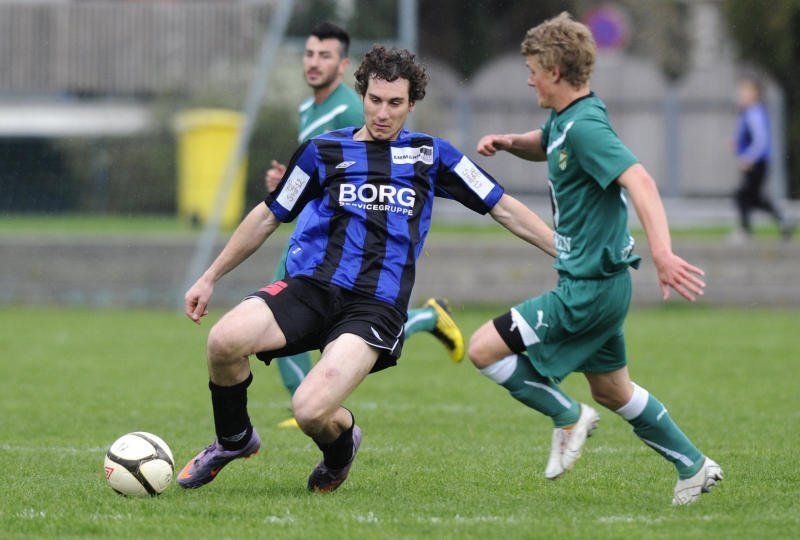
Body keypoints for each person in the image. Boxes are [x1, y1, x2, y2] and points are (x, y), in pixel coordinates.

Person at [178, 45, 557, 493]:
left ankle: (340, 450)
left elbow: (503, 206)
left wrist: (563, 253)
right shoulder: (323, 152)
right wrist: (210, 276)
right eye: (375, 100)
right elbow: (267, 215)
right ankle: (234, 440)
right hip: (312, 289)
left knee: (310, 412)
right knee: (222, 341)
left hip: (375, 307)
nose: (382, 112)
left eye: (395, 103)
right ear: (362, 95)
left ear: (411, 104)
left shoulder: (431, 156)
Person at [470, 12, 722, 506]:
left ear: (555, 72)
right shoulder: (570, 117)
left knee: (482, 349)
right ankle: (692, 465)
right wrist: (510, 142)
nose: (529, 80)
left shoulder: (585, 127)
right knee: (611, 390)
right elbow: (547, 142)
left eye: (534, 71)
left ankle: (567, 416)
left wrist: (663, 253)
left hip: (588, 289)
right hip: (600, 285)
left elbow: (641, 181)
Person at [265, 22, 465, 429]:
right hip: (311, 227)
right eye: (309, 54)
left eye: (325, 56)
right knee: (289, 313)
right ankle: (311, 403)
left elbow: (369, 166)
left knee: (305, 312)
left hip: (339, 237)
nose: (314, 63)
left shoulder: (352, 111)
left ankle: (310, 408)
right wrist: (287, 182)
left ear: (343, 67)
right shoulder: (308, 109)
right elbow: (325, 169)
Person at [732, 75, 794, 242]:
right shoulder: (748, 113)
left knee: (743, 196)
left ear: (754, 94)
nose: (740, 95)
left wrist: (748, 157)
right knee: (753, 198)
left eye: (744, 91)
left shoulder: (754, 113)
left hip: (757, 163)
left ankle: (745, 230)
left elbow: (761, 140)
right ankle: (783, 221)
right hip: (756, 162)